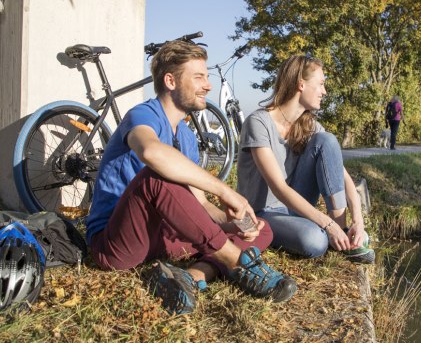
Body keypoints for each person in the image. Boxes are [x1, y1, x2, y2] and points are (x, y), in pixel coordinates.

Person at [86, 40, 297, 315]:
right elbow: (150, 151)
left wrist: (233, 223)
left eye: (207, 77)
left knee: (262, 226)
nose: (208, 85)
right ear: (171, 81)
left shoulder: (185, 135)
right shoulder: (143, 115)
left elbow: (200, 205)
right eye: (198, 77)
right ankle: (239, 263)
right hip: (117, 242)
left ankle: (193, 276)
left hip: (163, 238)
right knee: (157, 176)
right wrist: (224, 190)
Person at [236, 54, 374, 264]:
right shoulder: (258, 122)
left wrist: (358, 219)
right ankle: (331, 234)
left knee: (327, 140)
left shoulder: (309, 125)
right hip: (262, 211)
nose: (324, 91)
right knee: (315, 241)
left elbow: (342, 175)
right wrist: (326, 225)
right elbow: (278, 189)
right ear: (301, 84)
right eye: (320, 84)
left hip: (293, 206)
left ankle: (343, 235)